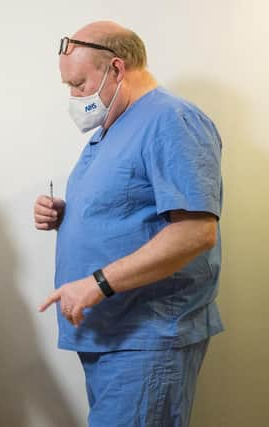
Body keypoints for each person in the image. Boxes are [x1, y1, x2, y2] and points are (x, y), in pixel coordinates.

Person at [34, 21, 223, 427]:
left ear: (117, 69)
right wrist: (66, 215)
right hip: (112, 337)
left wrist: (98, 281)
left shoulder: (170, 120)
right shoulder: (113, 127)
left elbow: (196, 231)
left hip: (146, 338)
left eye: (80, 84)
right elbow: (130, 208)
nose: (73, 97)